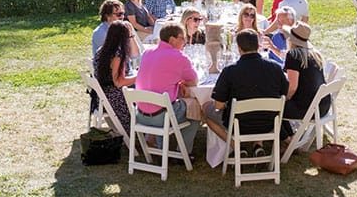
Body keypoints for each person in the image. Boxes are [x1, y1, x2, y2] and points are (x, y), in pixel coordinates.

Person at [203, 29, 288, 157]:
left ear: (239, 48)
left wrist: (228, 105)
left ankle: (236, 146)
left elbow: (218, 106)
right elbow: (284, 95)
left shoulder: (230, 71)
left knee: (205, 110)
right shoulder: (276, 68)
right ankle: (258, 144)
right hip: (269, 122)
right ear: (258, 46)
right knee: (260, 104)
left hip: (238, 124)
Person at [134, 23, 199, 155]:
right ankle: (183, 152)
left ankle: (160, 147)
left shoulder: (147, 52)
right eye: (182, 38)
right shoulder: (179, 57)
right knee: (195, 108)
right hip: (161, 116)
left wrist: (178, 83)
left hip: (140, 115)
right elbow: (194, 81)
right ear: (172, 39)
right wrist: (181, 83)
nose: (184, 42)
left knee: (165, 102)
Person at [280, 22, 328, 141]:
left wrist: (284, 99)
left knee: (272, 107)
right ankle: (290, 136)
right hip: (323, 105)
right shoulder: (315, 54)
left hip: (307, 108)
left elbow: (292, 87)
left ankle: (287, 140)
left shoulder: (293, 55)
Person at [94, 20, 138, 136]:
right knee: (146, 92)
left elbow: (135, 54)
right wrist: (139, 77)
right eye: (128, 36)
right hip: (115, 97)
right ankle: (143, 131)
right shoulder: (118, 54)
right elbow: (119, 82)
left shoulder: (102, 49)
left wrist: (132, 35)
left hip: (102, 96)